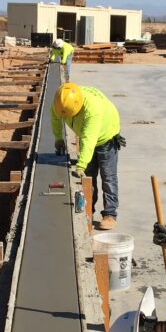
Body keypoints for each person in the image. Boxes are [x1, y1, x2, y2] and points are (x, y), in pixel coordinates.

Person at [52, 82, 123, 231]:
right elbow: (55, 118)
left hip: (106, 136)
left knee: (108, 177)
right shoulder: (61, 101)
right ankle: (88, 210)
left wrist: (81, 165)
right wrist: (58, 138)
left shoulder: (92, 110)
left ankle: (110, 214)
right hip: (89, 135)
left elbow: (88, 139)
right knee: (89, 177)